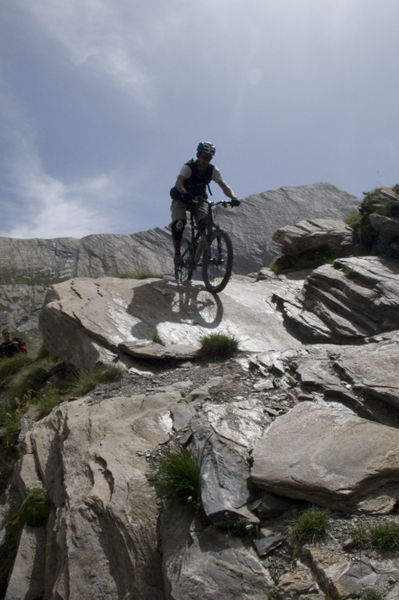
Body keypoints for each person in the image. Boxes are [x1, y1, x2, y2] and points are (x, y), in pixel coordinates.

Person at [170, 142, 240, 266]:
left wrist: (233, 197)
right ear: (197, 155)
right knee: (178, 224)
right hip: (181, 199)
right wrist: (184, 191)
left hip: (199, 201)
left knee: (205, 225)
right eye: (204, 157)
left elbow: (224, 186)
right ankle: (177, 255)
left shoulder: (212, 171)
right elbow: (179, 181)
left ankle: (203, 251)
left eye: (209, 158)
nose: (206, 161)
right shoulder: (188, 167)